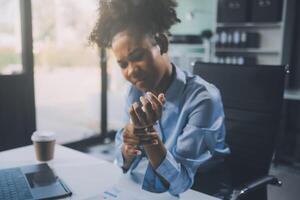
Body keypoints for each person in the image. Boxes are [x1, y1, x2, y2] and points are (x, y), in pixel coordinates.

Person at [89, 0, 229, 196]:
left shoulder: (203, 99)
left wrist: (148, 136)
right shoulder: (134, 92)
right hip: (151, 188)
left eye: (137, 56)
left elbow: (182, 183)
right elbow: (121, 160)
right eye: (122, 64)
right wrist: (129, 145)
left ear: (162, 44)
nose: (131, 71)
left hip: (201, 191)